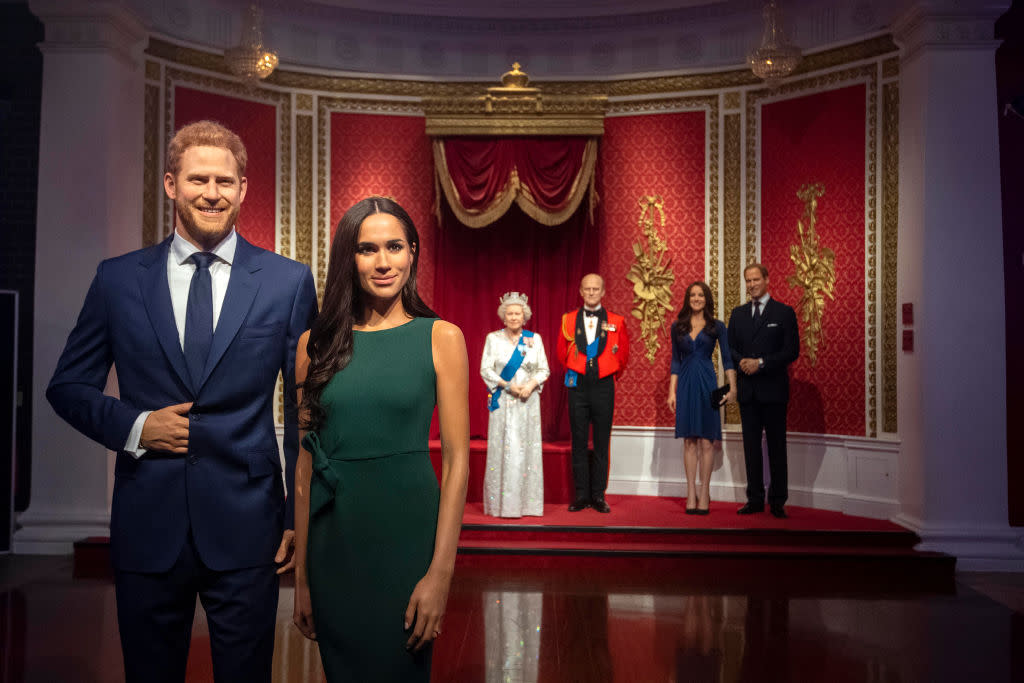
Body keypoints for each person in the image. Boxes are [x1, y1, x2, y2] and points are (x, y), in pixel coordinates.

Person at [46, 120, 318, 682]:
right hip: (149, 522)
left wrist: (297, 511)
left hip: (249, 525)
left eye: (225, 181)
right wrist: (137, 426)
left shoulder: (287, 282)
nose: (212, 192)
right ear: (171, 184)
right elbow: (67, 385)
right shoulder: (117, 280)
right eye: (198, 179)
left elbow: (301, 409)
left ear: (244, 189)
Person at [291, 197, 470, 682]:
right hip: (334, 547)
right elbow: (305, 469)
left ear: (413, 252)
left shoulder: (442, 338)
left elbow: (457, 465)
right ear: (349, 258)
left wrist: (441, 575)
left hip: (407, 541)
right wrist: (303, 580)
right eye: (367, 249)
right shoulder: (314, 344)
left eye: (395, 246)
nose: (383, 261)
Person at [727, 263, 799, 518]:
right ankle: (755, 499)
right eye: (748, 280)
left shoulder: (784, 313)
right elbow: (730, 349)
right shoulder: (738, 314)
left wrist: (761, 363)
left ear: (767, 280)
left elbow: (792, 351)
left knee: (777, 447)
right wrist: (743, 361)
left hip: (774, 391)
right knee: (750, 448)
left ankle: (778, 501)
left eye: (756, 279)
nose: (751, 284)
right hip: (748, 393)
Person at [557, 273, 630, 513]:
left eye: (595, 289)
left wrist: (608, 374)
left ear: (603, 292)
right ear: (580, 291)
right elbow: (561, 353)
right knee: (578, 441)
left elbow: (624, 355)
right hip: (577, 385)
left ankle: (598, 495)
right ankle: (581, 495)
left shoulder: (616, 321)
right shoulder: (568, 320)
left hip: (603, 386)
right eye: (587, 289)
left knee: (601, 442)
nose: (591, 293)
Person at [666, 282, 737, 515]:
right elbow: (675, 361)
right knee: (689, 441)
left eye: (700, 295)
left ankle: (705, 492)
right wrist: (671, 391)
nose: (696, 298)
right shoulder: (677, 326)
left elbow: (727, 358)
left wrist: (732, 387)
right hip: (685, 383)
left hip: (707, 383)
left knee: (707, 441)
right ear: (687, 299)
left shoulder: (718, 326)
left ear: (707, 299)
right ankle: (690, 493)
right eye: (692, 295)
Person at [480, 291, 550, 517]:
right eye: (509, 313)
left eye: (517, 313)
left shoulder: (534, 339)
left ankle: (528, 505)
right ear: (503, 316)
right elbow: (485, 369)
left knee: (525, 450)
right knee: (504, 450)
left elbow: (543, 370)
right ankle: (500, 506)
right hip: (503, 400)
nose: (513, 317)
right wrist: (508, 386)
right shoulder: (493, 339)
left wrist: (529, 385)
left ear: (524, 315)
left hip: (527, 402)